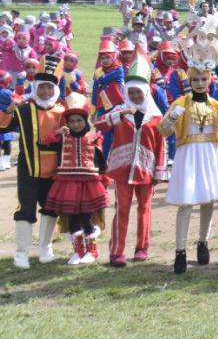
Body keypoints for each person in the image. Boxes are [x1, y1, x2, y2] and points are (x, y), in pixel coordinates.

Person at [161, 61, 218, 274]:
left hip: (210, 154)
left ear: (210, 80)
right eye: (195, 80)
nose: (200, 83)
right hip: (188, 155)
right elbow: (164, 131)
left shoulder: (216, 105)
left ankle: (203, 242)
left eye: (203, 79)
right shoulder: (180, 103)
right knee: (186, 202)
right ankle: (180, 250)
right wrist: (172, 118)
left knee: (207, 200)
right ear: (189, 81)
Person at [1, 55, 66, 268]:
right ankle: (21, 252)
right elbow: (3, 127)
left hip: (54, 170)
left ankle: (45, 247)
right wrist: (8, 110)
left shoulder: (62, 112)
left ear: (55, 89)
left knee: (50, 207)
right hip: (28, 168)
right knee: (26, 208)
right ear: (35, 88)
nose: (45, 91)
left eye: (49, 87)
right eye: (42, 87)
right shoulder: (23, 110)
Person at [101, 66, 165, 267]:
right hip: (122, 170)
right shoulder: (120, 112)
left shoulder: (156, 117)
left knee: (145, 209)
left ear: (145, 92)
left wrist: (159, 171)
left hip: (146, 170)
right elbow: (99, 124)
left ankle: (142, 248)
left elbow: (161, 146)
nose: (135, 96)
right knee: (122, 209)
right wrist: (121, 114)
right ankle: (116, 251)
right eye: (131, 93)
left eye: (139, 92)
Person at [43, 95, 107, 265]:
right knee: (72, 217)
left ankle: (92, 251)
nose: (75, 124)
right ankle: (78, 251)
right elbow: (44, 143)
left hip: (88, 185)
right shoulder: (62, 139)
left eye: (79, 120)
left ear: (85, 121)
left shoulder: (93, 138)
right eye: (71, 121)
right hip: (67, 184)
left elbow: (101, 164)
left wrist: (104, 182)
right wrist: (56, 133)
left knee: (85, 217)